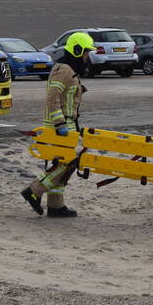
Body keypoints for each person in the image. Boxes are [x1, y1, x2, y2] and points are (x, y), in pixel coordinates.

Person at [20, 32, 95, 218]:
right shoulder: (64, 70)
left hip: (67, 124)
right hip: (60, 125)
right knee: (69, 162)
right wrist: (59, 123)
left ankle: (56, 205)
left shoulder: (69, 69)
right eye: (86, 52)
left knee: (62, 162)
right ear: (77, 51)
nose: (88, 56)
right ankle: (34, 190)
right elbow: (52, 98)